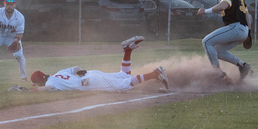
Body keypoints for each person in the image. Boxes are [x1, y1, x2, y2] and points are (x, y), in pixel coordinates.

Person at [23, 36, 168, 93]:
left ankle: (156, 73)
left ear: (40, 82)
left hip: (90, 82)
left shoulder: (50, 83)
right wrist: (79, 72)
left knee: (123, 85)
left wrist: (28, 92)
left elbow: (45, 89)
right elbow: (78, 68)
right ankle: (127, 50)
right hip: (90, 74)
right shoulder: (59, 73)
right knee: (124, 75)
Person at [195, 0, 251, 82]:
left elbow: (223, 5)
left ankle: (217, 72)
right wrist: (248, 32)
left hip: (236, 27)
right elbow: (247, 14)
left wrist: (205, 11)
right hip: (242, 30)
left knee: (206, 41)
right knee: (217, 50)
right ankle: (242, 66)